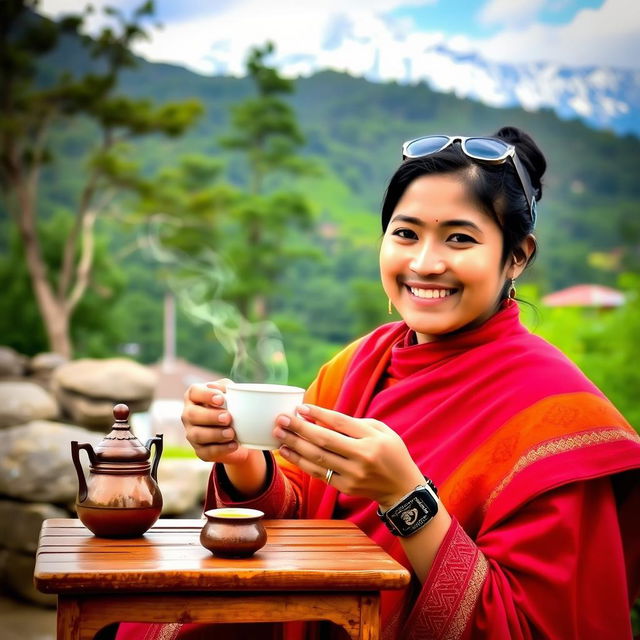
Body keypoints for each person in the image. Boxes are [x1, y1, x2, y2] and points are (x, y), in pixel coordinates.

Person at [117, 127, 640, 640]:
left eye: (459, 238)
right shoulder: (361, 362)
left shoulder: (557, 416)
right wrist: (241, 458)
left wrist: (404, 496)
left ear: (517, 256)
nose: (423, 263)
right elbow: (302, 508)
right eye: (405, 233)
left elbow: (525, 624)